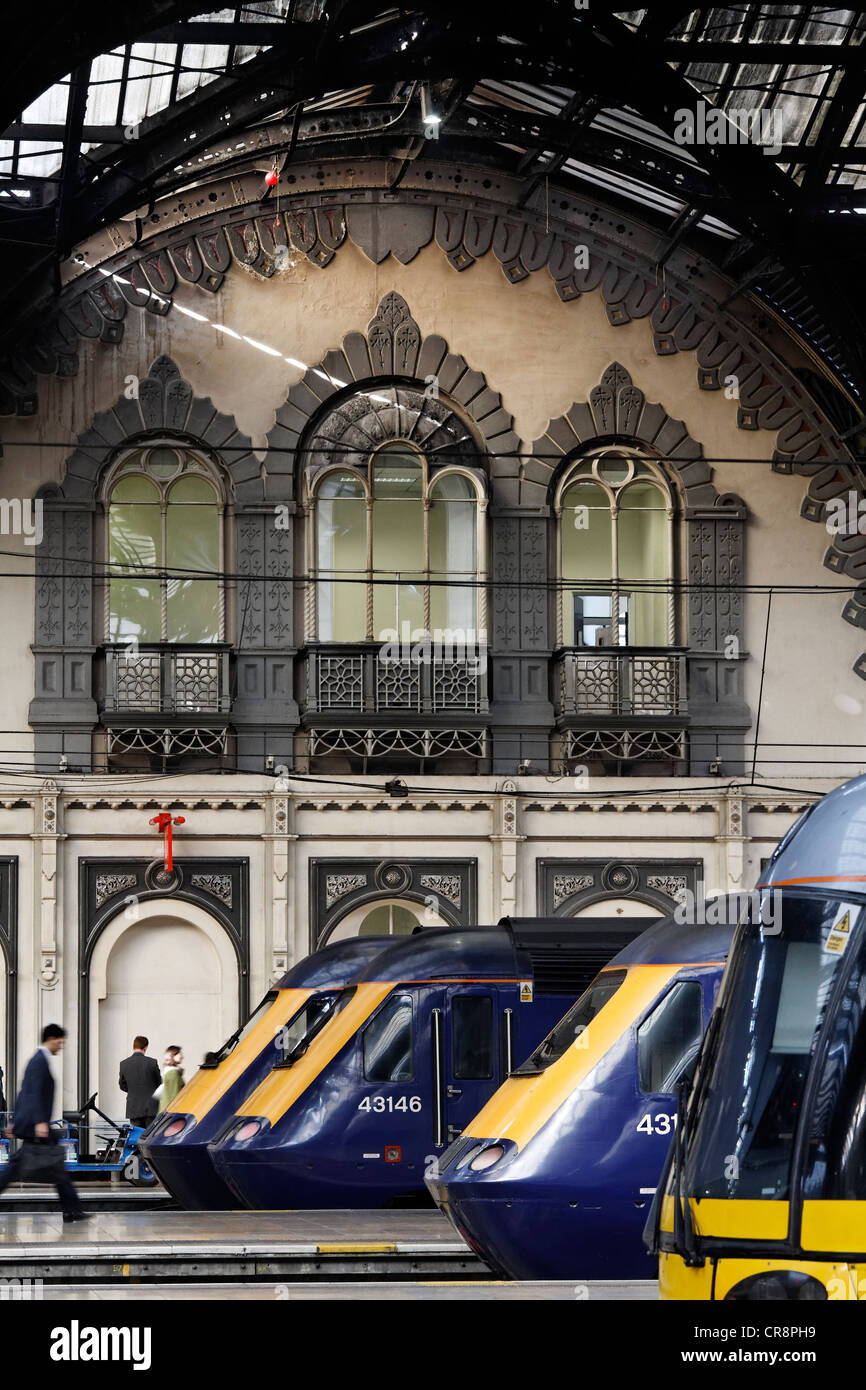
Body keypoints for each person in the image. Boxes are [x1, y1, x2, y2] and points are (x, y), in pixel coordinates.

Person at [0, 1024, 88, 1222]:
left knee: (57, 1168)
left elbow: (24, 1093)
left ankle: (72, 1211)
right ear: (51, 1038)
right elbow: (34, 1093)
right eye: (60, 1042)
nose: (61, 1046)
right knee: (19, 1168)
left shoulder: (38, 1060)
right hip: (37, 1126)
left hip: (34, 1125)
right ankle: (72, 1211)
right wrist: (40, 1121)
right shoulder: (39, 1061)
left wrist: (15, 1121)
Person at [118, 1036, 161, 1130]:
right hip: (151, 1107)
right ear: (145, 1047)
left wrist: (133, 1091)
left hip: (133, 1107)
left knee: (136, 1138)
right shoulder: (152, 1062)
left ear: (133, 1047)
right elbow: (159, 1083)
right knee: (150, 1137)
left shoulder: (124, 1064)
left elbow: (122, 1085)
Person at [157, 1046, 185, 1112]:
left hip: (165, 1111)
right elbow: (174, 1096)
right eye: (179, 1054)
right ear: (173, 1056)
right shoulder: (173, 1074)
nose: (182, 1056)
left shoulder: (167, 1071)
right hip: (171, 1113)